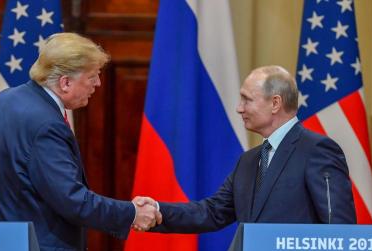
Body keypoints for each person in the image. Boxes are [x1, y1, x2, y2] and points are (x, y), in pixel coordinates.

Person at [0, 32, 161, 251]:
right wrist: (130, 213)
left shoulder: (3, 100)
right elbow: (73, 201)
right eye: (92, 76)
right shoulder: (45, 123)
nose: (98, 84)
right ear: (65, 82)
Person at [134, 65, 356, 234]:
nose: (239, 109)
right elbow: (211, 212)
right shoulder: (249, 161)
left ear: (275, 103)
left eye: (247, 100)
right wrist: (157, 210)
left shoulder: (317, 150)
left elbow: (339, 233)